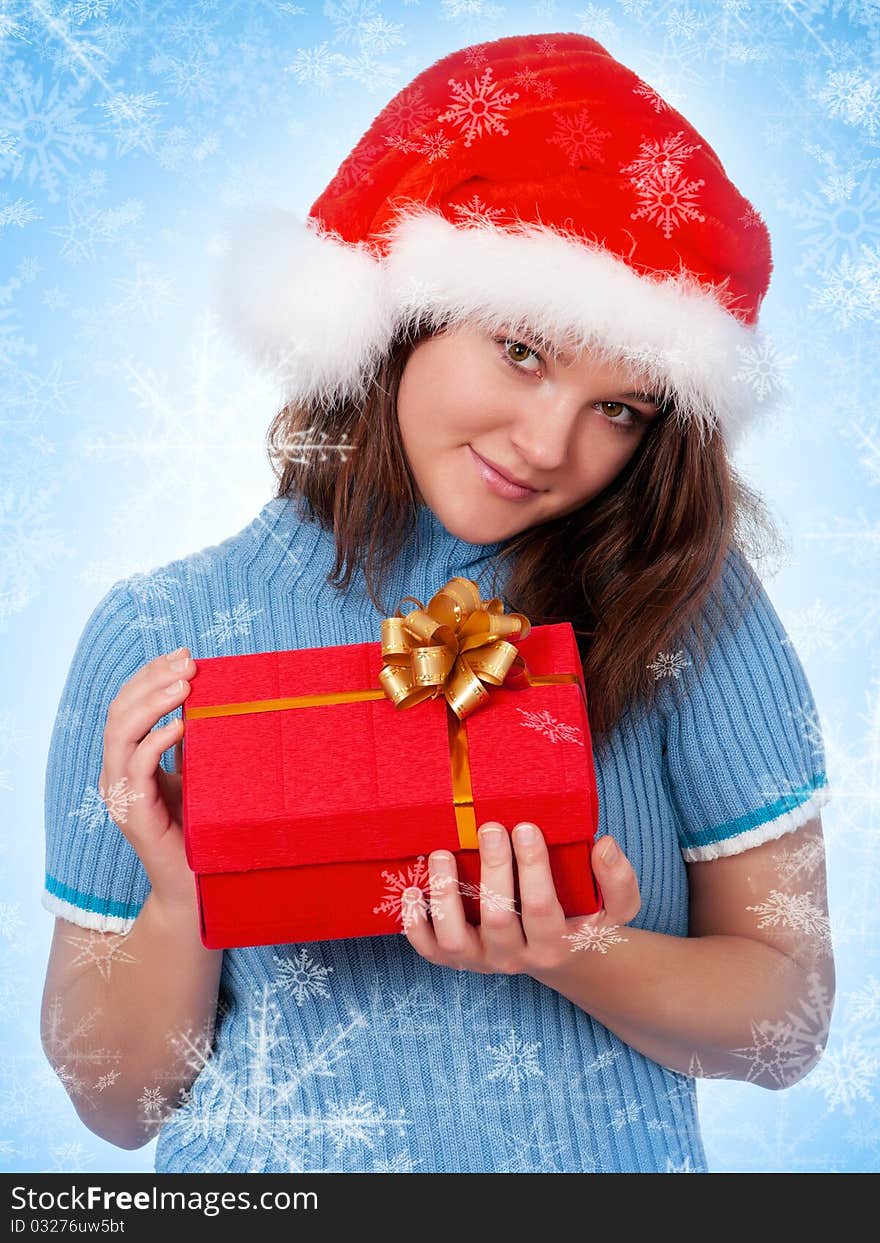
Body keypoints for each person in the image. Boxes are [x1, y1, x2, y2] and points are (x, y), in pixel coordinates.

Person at [40, 31, 834, 1174]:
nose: (551, 443)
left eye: (624, 409)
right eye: (520, 351)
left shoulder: (685, 604)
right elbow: (115, 1107)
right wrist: (179, 898)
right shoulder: (160, 634)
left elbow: (787, 1024)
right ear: (400, 318)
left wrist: (573, 951)